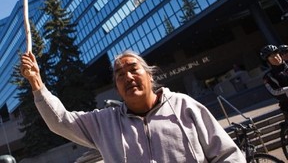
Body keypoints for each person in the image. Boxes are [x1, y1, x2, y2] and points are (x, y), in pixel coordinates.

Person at [21, 51, 245, 162]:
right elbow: (61, 121)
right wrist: (37, 83)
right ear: (117, 87)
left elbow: (227, 154)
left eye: (133, 69)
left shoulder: (185, 106)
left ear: (149, 75)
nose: (127, 76)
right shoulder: (104, 122)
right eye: (119, 74)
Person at [260, 44, 288, 121]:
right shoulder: (268, 76)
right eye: (272, 57)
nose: (276, 57)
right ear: (268, 61)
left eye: (277, 54)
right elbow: (274, 92)